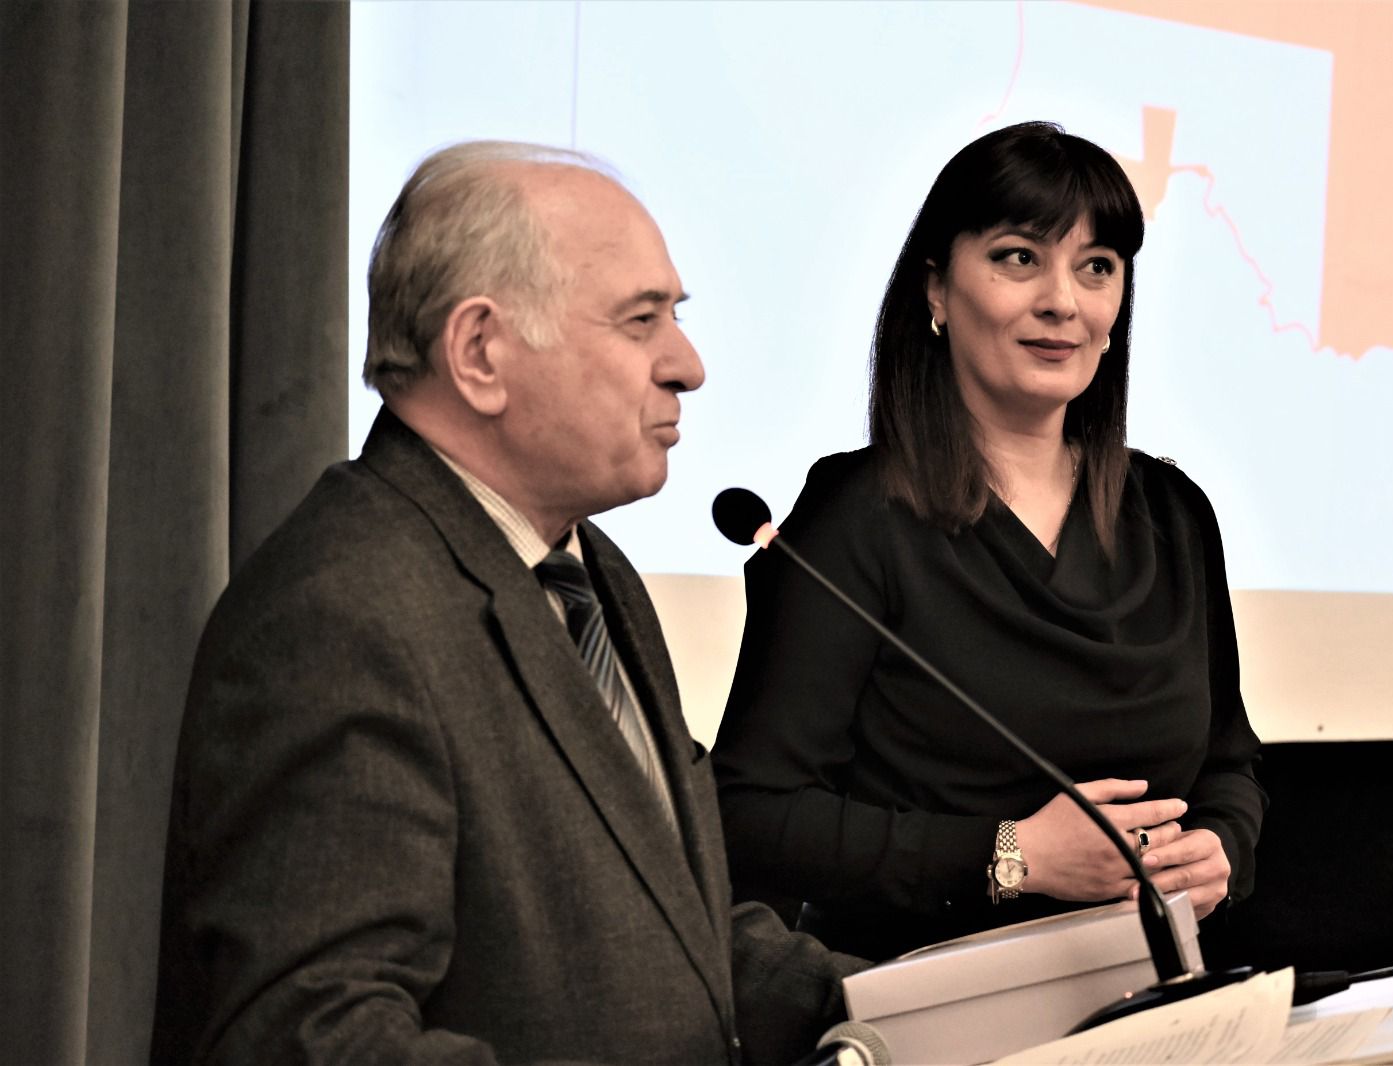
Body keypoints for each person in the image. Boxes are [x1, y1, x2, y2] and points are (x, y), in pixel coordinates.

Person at [150, 142, 862, 1065]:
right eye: (641, 320)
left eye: (676, 318)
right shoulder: (339, 617)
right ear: (481, 353)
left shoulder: (591, 570)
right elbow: (314, 1036)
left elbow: (677, 919)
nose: (688, 365)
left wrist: (923, 1007)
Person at [712, 121, 1267, 963]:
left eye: (1097, 267)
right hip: (923, 1004)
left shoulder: (1175, 514)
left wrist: (1222, 845)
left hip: (1153, 989)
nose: (1063, 301)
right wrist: (1014, 856)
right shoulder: (857, 516)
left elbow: (1230, 761)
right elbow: (752, 815)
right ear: (936, 289)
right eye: (1019, 258)